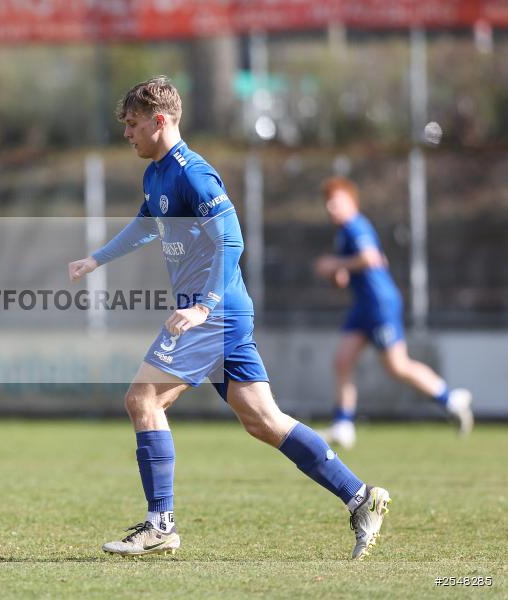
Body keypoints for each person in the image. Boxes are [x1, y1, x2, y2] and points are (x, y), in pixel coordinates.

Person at [68, 77, 388, 560]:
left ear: (160, 121)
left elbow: (231, 240)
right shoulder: (155, 175)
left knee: (142, 400)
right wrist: (97, 259)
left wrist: (201, 306)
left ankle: (160, 524)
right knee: (263, 421)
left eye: (133, 125)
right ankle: (361, 497)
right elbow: (144, 226)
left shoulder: (194, 175)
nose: (127, 134)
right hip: (221, 316)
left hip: (213, 315)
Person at [314, 177, 472, 448]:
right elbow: (365, 265)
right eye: (327, 202)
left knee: (397, 366)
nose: (331, 207)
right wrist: (338, 275)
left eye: (336, 201)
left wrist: (334, 263)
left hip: (379, 304)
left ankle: (450, 399)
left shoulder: (356, 225)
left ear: (351, 202)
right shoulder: (343, 232)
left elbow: (370, 258)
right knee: (342, 362)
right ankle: (343, 425)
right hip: (363, 305)